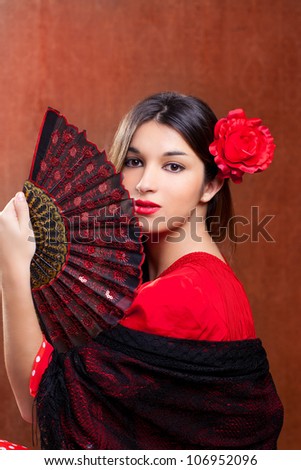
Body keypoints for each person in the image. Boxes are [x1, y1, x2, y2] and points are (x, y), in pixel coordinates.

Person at [0, 92, 283, 449]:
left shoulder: (181, 294)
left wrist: (12, 267)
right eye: (134, 161)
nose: (146, 182)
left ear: (211, 185)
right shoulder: (212, 280)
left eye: (173, 166)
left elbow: (39, 401)